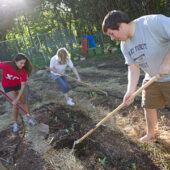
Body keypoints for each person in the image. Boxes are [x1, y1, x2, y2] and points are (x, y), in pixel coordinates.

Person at [102, 10, 170, 142]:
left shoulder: (153, 23)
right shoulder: (124, 45)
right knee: (148, 106)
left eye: (112, 33)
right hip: (152, 78)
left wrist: (167, 62)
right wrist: (130, 91)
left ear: (120, 25)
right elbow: (133, 68)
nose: (112, 38)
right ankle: (151, 134)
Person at [0, 53, 36, 132]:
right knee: (15, 104)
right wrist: (16, 100)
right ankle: (15, 123)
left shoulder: (22, 71)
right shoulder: (6, 65)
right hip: (8, 86)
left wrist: (18, 98)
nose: (23, 65)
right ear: (15, 61)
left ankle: (29, 119)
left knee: (23, 101)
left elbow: (23, 86)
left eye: (24, 63)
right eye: (21, 63)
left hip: (18, 85)